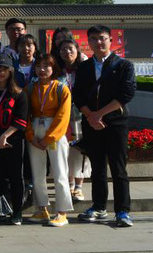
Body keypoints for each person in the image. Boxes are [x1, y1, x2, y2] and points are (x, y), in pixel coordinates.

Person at [74, 25, 136, 227]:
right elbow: (78, 95)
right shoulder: (83, 67)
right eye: (93, 39)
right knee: (97, 167)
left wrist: (99, 114)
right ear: (88, 42)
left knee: (118, 168)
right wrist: (90, 116)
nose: (98, 42)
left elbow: (126, 93)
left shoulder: (124, 65)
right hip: (91, 123)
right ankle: (99, 206)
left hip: (116, 122)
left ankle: (122, 211)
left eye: (102, 38)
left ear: (111, 40)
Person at [24, 54, 73, 227]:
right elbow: (25, 113)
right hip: (35, 128)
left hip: (55, 131)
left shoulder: (61, 89)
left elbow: (63, 116)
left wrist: (49, 138)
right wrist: (30, 136)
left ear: (54, 68)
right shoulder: (30, 88)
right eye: (38, 66)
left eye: (46, 66)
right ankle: (42, 209)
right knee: (37, 173)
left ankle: (62, 212)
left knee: (60, 172)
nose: (42, 70)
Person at [0, 53, 28, 225]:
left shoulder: (19, 94)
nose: (1, 73)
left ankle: (17, 212)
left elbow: (21, 119)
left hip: (13, 141)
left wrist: (4, 136)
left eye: (4, 69)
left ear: (11, 71)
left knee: (16, 176)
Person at [56, 38, 90, 202]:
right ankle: (69, 184)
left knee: (80, 151)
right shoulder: (56, 71)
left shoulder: (84, 70)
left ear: (77, 51)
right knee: (65, 151)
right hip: (61, 117)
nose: (67, 52)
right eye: (63, 49)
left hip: (81, 116)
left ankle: (78, 187)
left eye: (70, 49)